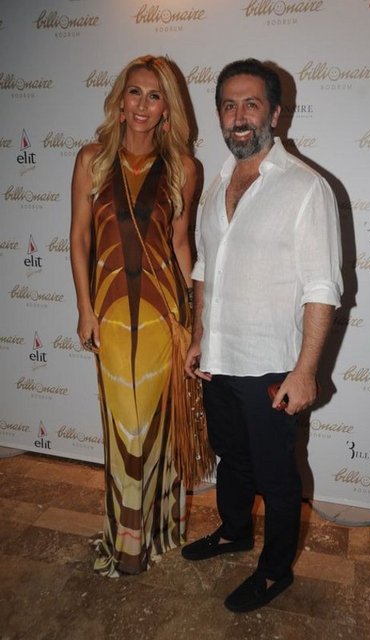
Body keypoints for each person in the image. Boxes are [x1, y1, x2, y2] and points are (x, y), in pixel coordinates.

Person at [182, 59, 343, 612]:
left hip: (273, 365)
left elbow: (322, 287)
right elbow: (205, 268)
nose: (239, 116)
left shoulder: (305, 188)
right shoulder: (216, 184)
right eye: (229, 105)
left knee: (277, 477)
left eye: (251, 104)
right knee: (231, 456)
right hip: (220, 358)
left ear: (275, 113)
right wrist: (199, 335)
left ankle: (275, 572)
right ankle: (234, 531)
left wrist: (306, 370)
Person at [70, 55, 197, 577]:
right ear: (120, 101)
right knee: (125, 428)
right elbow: (80, 238)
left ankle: (158, 530)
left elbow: (181, 245)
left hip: (164, 316)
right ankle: (125, 538)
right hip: (112, 317)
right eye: (135, 92)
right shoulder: (92, 160)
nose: (143, 104)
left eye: (155, 95)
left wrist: (195, 323)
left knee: (156, 429)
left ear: (167, 108)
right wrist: (84, 308)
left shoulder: (184, 168)